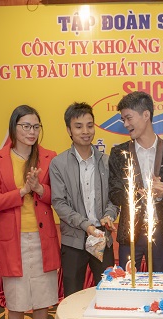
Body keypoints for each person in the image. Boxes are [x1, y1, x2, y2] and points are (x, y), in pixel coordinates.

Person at [0, 105, 61, 319]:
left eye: (36, 126)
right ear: (14, 127)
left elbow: (59, 198)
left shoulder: (49, 157)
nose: (31, 131)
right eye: (25, 126)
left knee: (43, 298)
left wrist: (40, 189)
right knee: (16, 301)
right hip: (13, 240)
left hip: (43, 238)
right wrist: (22, 191)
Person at [50, 102, 118, 296]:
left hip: (102, 238)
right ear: (69, 130)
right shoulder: (59, 164)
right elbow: (59, 202)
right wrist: (85, 225)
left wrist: (109, 215)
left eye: (90, 125)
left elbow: (114, 198)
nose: (85, 131)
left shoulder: (107, 161)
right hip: (73, 240)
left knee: (107, 294)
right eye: (79, 126)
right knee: (72, 296)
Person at [108, 91, 163, 273]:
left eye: (129, 118)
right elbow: (114, 193)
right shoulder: (118, 153)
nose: (125, 124)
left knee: (159, 281)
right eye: (123, 119)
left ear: (146, 115)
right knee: (127, 282)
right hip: (130, 231)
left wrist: (162, 194)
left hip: (161, 231)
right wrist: (134, 195)